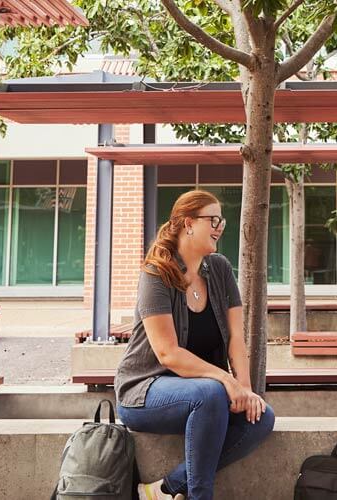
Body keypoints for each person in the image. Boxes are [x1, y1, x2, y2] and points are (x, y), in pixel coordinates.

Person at [116, 190, 275, 500]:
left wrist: (244, 388)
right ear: (188, 223)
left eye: (222, 220)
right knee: (211, 393)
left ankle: (167, 488)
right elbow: (167, 353)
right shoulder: (155, 274)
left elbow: (236, 340)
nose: (219, 227)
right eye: (212, 219)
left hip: (205, 395)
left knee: (261, 417)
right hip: (146, 390)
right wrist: (225, 379)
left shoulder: (219, 269)